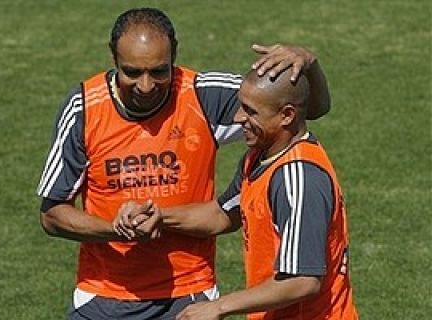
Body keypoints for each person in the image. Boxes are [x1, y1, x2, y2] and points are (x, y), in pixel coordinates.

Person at [36, 7, 331, 320]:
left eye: (159, 71)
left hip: (189, 294)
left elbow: (300, 107)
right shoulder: (83, 108)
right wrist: (116, 230)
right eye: (132, 72)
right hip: (103, 295)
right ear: (113, 59)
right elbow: (52, 213)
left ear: (174, 58)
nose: (146, 86)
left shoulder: (204, 95)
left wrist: (308, 63)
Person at [116, 68, 358, 319]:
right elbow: (222, 213)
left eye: (251, 111)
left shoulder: (298, 178)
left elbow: (303, 280)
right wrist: (158, 216)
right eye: (242, 106)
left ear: (287, 115)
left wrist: (217, 306)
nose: (239, 117)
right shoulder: (260, 158)